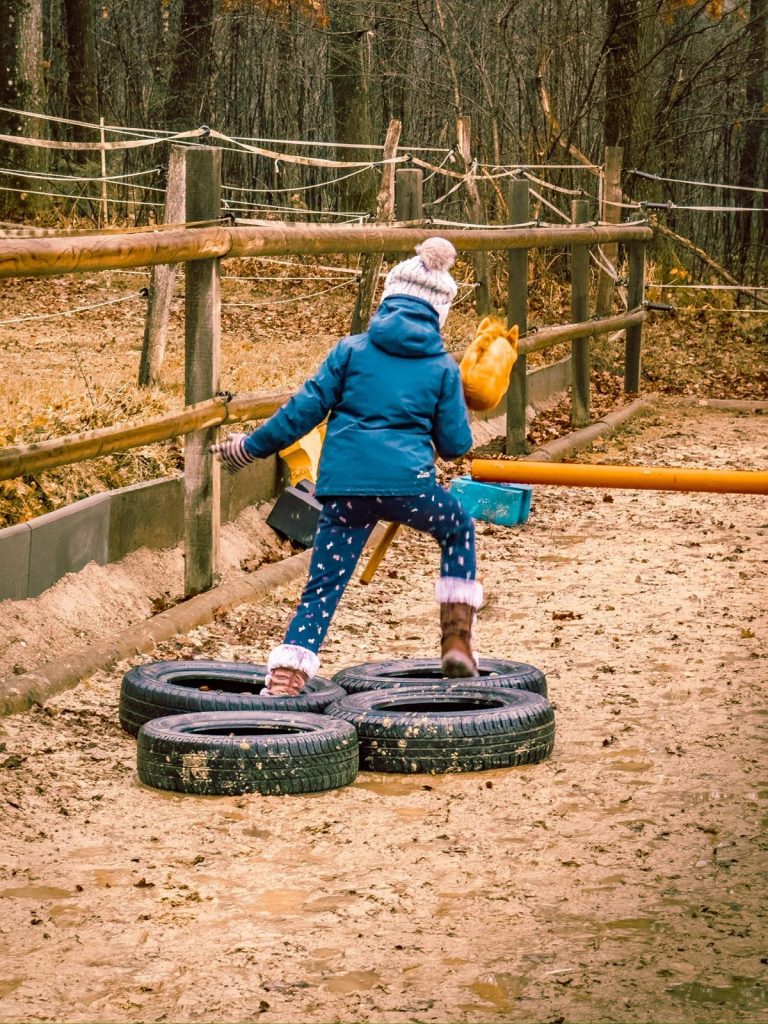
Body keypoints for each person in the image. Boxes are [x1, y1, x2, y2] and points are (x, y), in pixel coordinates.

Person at [211, 237, 482, 696]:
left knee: (324, 583)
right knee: (457, 528)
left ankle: (289, 671)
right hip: (410, 488)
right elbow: (456, 445)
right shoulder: (442, 367)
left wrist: (251, 447)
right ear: (440, 313)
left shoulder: (351, 351)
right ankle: (457, 639)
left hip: (345, 490)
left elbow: (303, 411)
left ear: (388, 299)